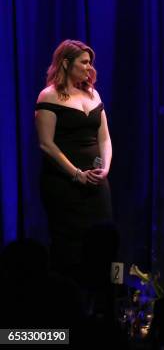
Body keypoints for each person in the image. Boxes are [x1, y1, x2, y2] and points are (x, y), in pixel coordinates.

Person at [35, 39, 113, 277]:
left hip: (96, 182)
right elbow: (46, 144)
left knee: (102, 238)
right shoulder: (49, 96)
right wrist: (77, 174)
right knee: (70, 244)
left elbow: (105, 139)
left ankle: (104, 300)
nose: (89, 68)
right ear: (66, 63)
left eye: (90, 63)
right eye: (84, 62)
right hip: (64, 183)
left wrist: (105, 169)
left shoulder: (93, 94)